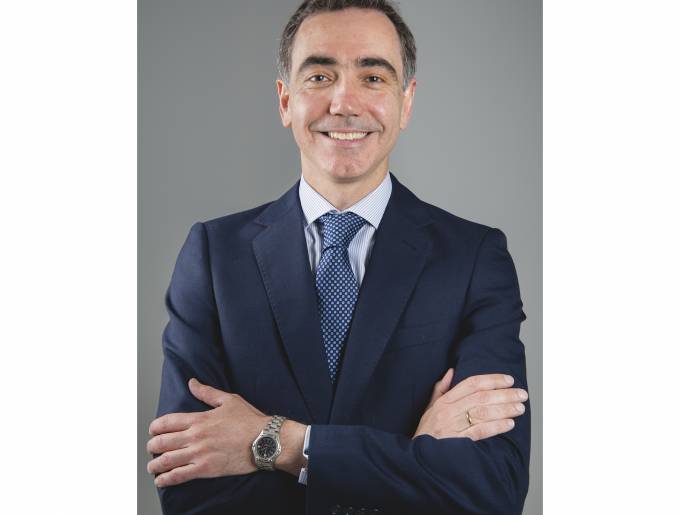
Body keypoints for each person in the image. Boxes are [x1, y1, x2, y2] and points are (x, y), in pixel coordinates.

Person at [146, 1, 531, 514]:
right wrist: (413, 454)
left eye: (373, 77)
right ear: (285, 101)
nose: (345, 102)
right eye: (320, 76)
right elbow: (188, 491)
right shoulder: (214, 257)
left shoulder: (473, 260)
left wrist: (279, 443)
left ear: (406, 102)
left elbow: (493, 487)